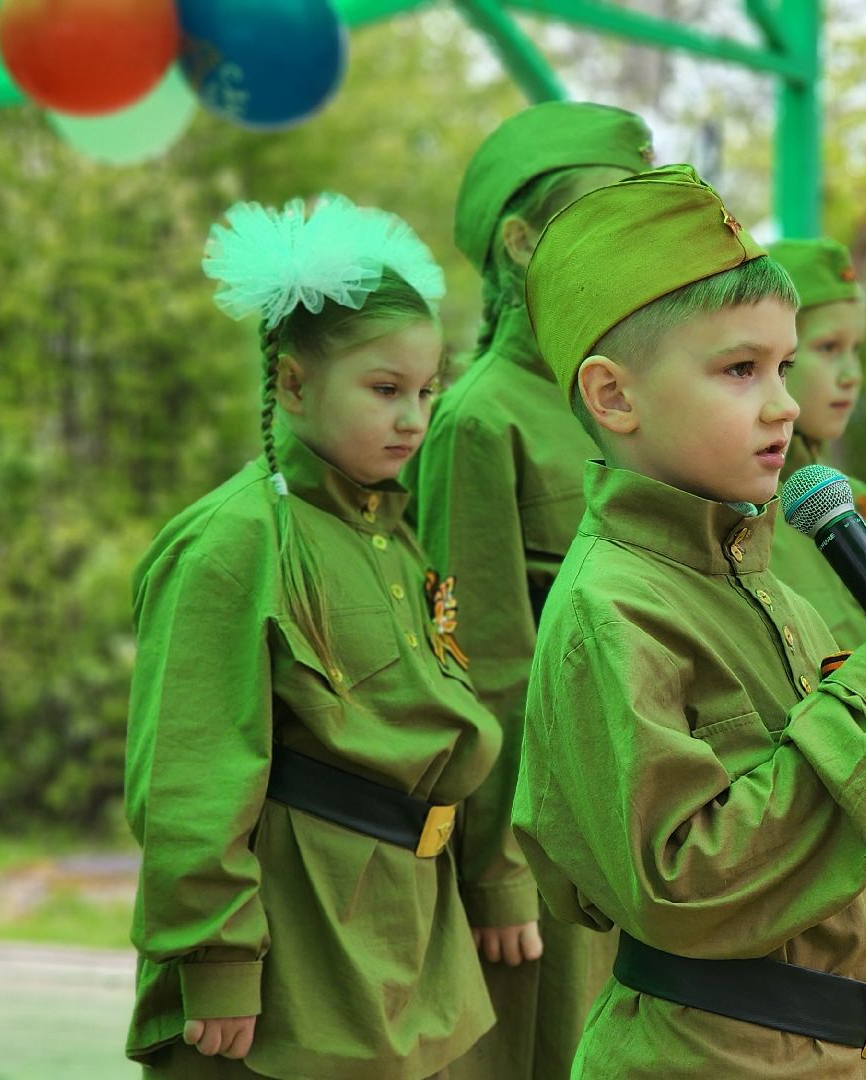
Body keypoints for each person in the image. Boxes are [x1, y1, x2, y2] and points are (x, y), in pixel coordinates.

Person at [509, 165, 866, 1077]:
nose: (786, 405)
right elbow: (682, 882)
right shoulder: (613, 610)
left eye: (784, 367)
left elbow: (809, 796)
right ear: (614, 397)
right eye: (739, 370)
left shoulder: (771, 587)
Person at [125, 196, 503, 1078]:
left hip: (410, 932)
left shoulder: (396, 540)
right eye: (384, 389)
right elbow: (193, 770)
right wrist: (213, 955)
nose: (414, 417)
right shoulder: (233, 541)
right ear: (293, 384)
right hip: (296, 942)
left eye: (426, 390)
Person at [403, 100, 655, 1080]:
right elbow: (480, 668)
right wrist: (499, 871)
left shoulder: (620, 404)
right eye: (604, 215)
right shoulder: (476, 420)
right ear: (520, 242)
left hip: (633, 834)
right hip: (538, 855)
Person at [766, 236, 866, 649]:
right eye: (829, 347)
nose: (852, 375)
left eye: (856, 349)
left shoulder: (849, 501)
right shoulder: (735, 511)